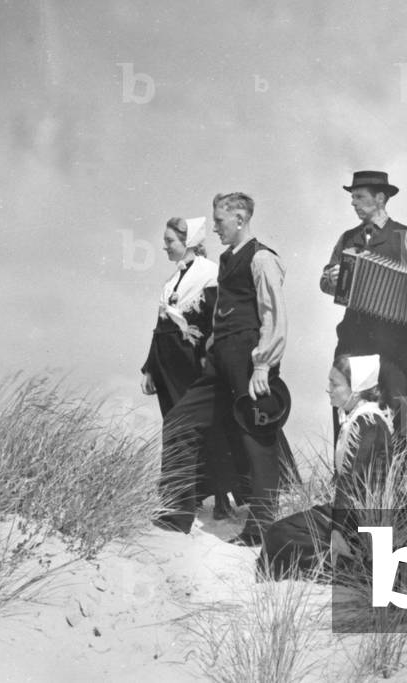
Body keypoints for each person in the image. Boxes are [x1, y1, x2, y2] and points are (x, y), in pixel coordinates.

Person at [156, 192, 295, 546]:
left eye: (219, 220)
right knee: (179, 422)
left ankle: (260, 528)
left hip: (250, 357)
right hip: (220, 360)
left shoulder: (262, 258)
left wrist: (263, 365)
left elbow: (273, 315)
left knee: (256, 437)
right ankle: (175, 516)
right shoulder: (226, 259)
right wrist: (212, 350)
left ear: (240, 217)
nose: (214, 227)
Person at [320, 170, 407, 439]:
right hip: (353, 335)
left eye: (359, 197)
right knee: (347, 404)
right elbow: (326, 281)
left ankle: (399, 478)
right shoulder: (347, 238)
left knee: (395, 405)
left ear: (380, 198)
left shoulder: (406, 236)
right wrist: (331, 278)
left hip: (391, 338)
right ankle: (347, 473)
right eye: (352, 197)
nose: (353, 203)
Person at [259, 355, 393, 579]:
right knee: (278, 533)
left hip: (359, 520)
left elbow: (353, 483)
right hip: (348, 512)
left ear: (357, 389)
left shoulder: (367, 422)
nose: (328, 389)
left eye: (335, 384)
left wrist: (338, 531)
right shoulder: (358, 419)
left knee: (280, 538)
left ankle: (353, 569)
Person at [141, 217, 239, 519]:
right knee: (175, 428)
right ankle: (186, 494)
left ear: (189, 242)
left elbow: (216, 321)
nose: (165, 246)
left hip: (193, 362)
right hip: (167, 362)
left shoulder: (209, 274)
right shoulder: (171, 281)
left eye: (170, 241)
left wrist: (210, 358)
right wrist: (149, 369)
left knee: (205, 428)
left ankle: (221, 496)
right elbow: (161, 325)